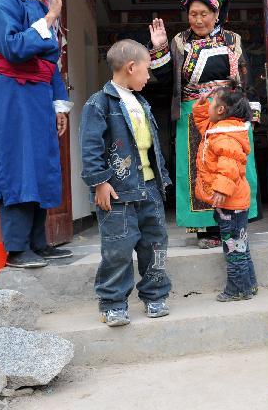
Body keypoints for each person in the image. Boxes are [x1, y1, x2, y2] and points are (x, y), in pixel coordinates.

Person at [0, 0, 73, 269]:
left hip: (39, 95)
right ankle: (17, 249)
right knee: (18, 164)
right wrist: (50, 19)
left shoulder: (37, 7)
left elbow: (50, 61)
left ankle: (38, 243)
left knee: (41, 165)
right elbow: (14, 49)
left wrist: (59, 104)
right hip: (13, 94)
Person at [149, 0, 261, 248]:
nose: (198, 20)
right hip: (194, 114)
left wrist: (251, 116)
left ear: (216, 14)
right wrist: (160, 47)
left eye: (204, 14)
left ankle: (235, 224)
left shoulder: (232, 40)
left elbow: (245, 78)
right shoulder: (180, 41)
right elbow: (167, 81)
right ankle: (207, 229)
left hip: (230, 112)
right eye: (192, 14)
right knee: (199, 169)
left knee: (231, 166)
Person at [79, 40, 172, 327]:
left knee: (155, 246)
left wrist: (162, 180)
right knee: (117, 251)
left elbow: (150, 148)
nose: (148, 76)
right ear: (131, 67)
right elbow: (90, 147)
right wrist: (99, 182)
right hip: (117, 193)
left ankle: (155, 296)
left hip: (149, 189)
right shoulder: (99, 103)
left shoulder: (141, 102)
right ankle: (113, 303)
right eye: (147, 70)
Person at [192, 82, 257, 301]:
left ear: (221, 110)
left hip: (230, 203)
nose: (208, 106)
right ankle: (249, 285)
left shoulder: (225, 136)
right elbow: (203, 124)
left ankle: (237, 289)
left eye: (211, 103)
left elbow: (230, 165)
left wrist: (221, 189)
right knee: (240, 245)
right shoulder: (219, 129)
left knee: (233, 248)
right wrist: (202, 105)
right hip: (232, 203)